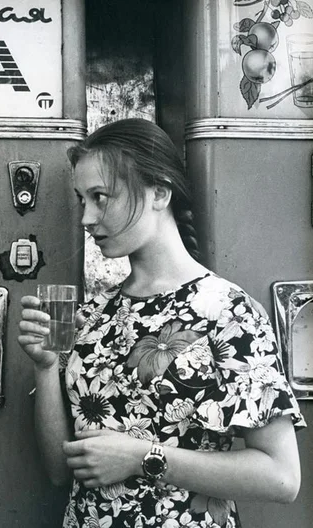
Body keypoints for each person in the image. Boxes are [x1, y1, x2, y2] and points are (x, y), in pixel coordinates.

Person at [17, 118, 305, 528]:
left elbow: (281, 477)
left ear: (159, 192)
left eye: (101, 197)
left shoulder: (228, 311)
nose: (86, 218)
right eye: (82, 200)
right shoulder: (92, 316)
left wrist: (143, 458)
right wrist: (45, 367)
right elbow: (59, 471)